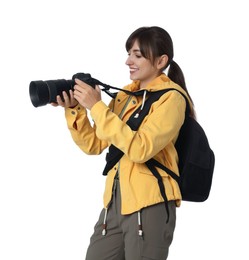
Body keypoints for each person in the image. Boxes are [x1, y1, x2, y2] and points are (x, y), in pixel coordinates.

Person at [52, 26, 195, 260]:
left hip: (150, 203)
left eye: (137, 55)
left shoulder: (172, 98)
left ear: (161, 61)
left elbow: (141, 149)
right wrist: (75, 109)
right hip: (115, 203)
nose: (128, 60)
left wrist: (97, 106)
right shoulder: (125, 96)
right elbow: (94, 144)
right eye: (129, 53)